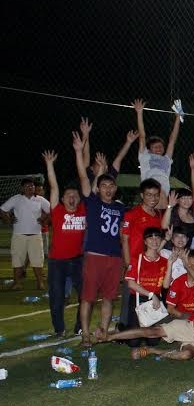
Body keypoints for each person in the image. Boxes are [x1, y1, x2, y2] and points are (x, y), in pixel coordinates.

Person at [72, 131, 126, 347]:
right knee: (88, 297)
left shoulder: (121, 208)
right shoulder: (93, 202)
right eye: (104, 186)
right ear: (98, 188)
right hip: (95, 256)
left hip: (114, 257)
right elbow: (83, 176)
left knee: (109, 297)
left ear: (115, 188)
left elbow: (123, 233)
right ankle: (85, 335)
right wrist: (79, 151)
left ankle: (102, 331)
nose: (108, 189)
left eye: (111, 186)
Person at [42, 150, 85, 336]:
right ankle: (59, 329)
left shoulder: (83, 209)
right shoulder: (57, 210)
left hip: (78, 260)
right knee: (57, 297)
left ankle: (79, 326)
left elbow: (90, 186)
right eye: (68, 195)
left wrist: (100, 171)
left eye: (75, 195)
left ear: (79, 198)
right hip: (57, 261)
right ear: (62, 199)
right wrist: (50, 165)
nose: (72, 198)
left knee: (85, 295)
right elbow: (53, 187)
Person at [1, 175, 51, 291]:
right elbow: (2, 210)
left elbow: (52, 211)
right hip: (19, 235)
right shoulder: (16, 198)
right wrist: (9, 220)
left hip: (35, 235)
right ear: (22, 188)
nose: (30, 188)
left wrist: (44, 220)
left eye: (32, 186)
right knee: (17, 260)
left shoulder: (40, 199)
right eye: (27, 186)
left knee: (38, 260)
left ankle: (40, 283)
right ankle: (17, 283)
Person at [131, 98, 182, 195]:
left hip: (163, 192)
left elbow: (172, 140)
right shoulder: (145, 156)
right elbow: (142, 136)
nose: (159, 148)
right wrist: (139, 113)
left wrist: (177, 118)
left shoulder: (167, 159)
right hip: (149, 191)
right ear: (149, 149)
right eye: (155, 147)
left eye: (161, 146)